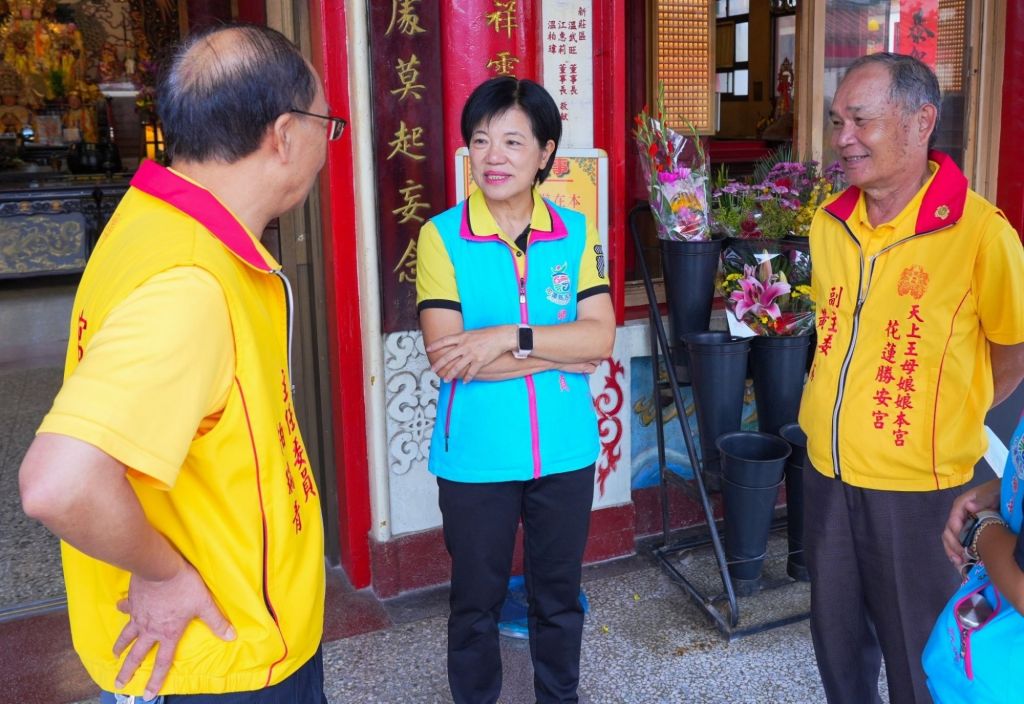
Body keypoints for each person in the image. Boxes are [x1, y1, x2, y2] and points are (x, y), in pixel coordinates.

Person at [18, 23, 345, 703]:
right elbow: (58, 484)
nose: (327, 145)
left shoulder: (153, 221)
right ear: (285, 134)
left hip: (233, 639)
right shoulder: (191, 286)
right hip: (219, 657)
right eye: (327, 124)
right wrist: (163, 575)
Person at [797, 52, 1024, 704]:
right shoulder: (829, 222)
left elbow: (1013, 349)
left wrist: (950, 414)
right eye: (837, 121)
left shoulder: (981, 234)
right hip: (828, 473)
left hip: (921, 490)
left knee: (919, 656)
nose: (843, 138)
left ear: (921, 121)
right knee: (838, 646)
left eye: (860, 120)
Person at [416, 76, 615, 704]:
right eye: (480, 141)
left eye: (511, 141)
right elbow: (449, 358)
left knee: (559, 598)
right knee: (475, 602)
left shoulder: (576, 232)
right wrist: (560, 352)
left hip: (565, 450)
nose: (493, 156)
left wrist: (507, 337)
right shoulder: (442, 236)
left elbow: (601, 336)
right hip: (476, 457)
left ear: (545, 152)